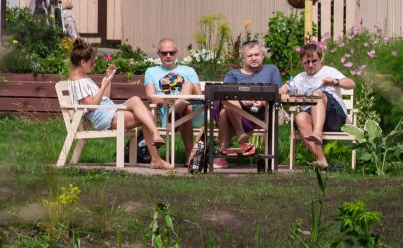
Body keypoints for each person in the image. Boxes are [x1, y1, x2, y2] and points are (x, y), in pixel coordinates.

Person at [66, 40, 163, 166]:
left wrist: (108, 79)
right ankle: (156, 155)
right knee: (148, 116)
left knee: (135, 100)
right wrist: (102, 86)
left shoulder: (83, 78)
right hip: (104, 117)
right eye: (92, 62)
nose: (94, 65)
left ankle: (156, 149)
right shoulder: (77, 82)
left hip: (110, 110)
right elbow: (92, 107)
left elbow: (104, 98)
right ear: (83, 62)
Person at [281, 40, 354, 169]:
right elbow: (284, 94)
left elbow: (351, 84)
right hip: (312, 119)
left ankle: (317, 133)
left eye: (314, 61)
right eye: (306, 62)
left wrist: (336, 82)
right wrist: (282, 89)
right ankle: (321, 160)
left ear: (321, 59)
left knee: (317, 94)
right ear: (302, 63)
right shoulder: (299, 78)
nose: (310, 65)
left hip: (334, 118)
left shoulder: (329, 71)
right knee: (300, 117)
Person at [217, 39, 282, 167]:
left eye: (257, 55)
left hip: (259, 116)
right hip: (236, 112)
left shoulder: (271, 70)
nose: (254, 58)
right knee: (228, 102)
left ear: (262, 56)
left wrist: (262, 102)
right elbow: (225, 94)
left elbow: (278, 94)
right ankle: (241, 134)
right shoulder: (233, 74)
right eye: (250, 55)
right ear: (243, 58)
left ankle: (220, 157)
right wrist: (241, 98)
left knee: (225, 112)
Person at [143, 38, 204, 164]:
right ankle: (189, 156)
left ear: (176, 53)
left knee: (187, 86)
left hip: (194, 113)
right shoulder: (151, 72)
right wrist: (172, 101)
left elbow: (199, 95)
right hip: (169, 111)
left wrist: (183, 97)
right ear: (159, 53)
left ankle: (175, 113)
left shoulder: (188, 71)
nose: (168, 56)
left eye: (171, 52)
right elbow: (150, 96)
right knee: (185, 109)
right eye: (164, 53)